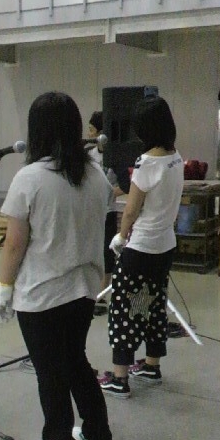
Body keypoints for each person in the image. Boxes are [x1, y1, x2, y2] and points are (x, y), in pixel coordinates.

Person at [0, 91, 114, 440]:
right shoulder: (96, 176)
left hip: (41, 295)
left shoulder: (29, 178)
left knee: (51, 372)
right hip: (84, 290)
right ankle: (98, 433)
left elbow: (14, 244)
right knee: (75, 360)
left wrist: (3, 289)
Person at [99, 96, 184, 398]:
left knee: (125, 309)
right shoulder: (176, 157)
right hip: (165, 246)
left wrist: (121, 237)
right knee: (154, 304)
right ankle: (151, 365)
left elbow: (131, 210)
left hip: (141, 248)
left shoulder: (147, 162)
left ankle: (119, 378)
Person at [87, 110, 130, 316]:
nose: (89, 133)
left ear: (101, 133)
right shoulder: (88, 154)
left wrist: (109, 193)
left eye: (92, 129)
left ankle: (101, 296)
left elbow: (127, 185)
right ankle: (89, 292)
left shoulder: (115, 157)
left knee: (106, 254)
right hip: (90, 212)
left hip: (107, 212)